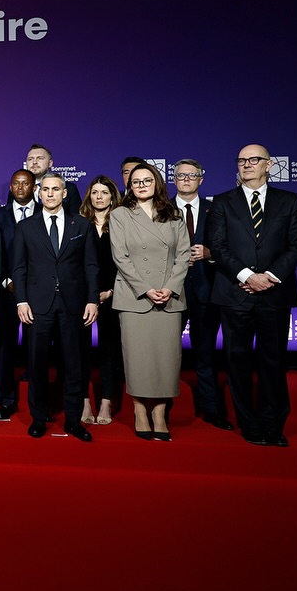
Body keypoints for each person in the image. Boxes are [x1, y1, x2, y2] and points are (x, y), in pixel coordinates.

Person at [207, 144, 297, 447]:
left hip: (275, 294)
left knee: (273, 362)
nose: (247, 164)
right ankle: (249, 424)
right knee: (238, 362)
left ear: (269, 165)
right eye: (242, 160)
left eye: (254, 159)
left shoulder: (289, 200)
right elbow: (218, 246)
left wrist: (269, 278)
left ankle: (272, 425)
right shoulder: (222, 202)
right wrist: (248, 276)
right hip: (235, 293)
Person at [13, 173, 99, 441]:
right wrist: (21, 300)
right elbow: (19, 267)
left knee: (74, 365)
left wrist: (92, 300)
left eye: (55, 189)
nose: (50, 194)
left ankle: (73, 421)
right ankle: (38, 418)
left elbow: (91, 266)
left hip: (73, 305)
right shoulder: (26, 227)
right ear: (39, 194)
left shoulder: (81, 225)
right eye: (45, 189)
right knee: (37, 364)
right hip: (37, 305)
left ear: (65, 193)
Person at [110, 163, 189, 441]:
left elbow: (184, 255)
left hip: (169, 296)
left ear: (157, 183)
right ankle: (140, 409)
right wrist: (145, 289)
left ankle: (160, 412)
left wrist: (169, 287)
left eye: (147, 180)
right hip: (135, 297)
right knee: (137, 358)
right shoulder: (120, 214)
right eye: (136, 181)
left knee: (167, 359)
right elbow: (120, 257)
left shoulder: (174, 214)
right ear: (129, 186)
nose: (141, 185)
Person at [172, 159, 231, 430]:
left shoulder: (215, 208)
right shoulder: (161, 209)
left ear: (201, 179)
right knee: (166, 354)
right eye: (181, 175)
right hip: (170, 293)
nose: (186, 179)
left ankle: (211, 409)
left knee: (205, 354)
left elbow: (231, 245)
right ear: (174, 179)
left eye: (191, 175)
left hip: (206, 291)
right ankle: (161, 410)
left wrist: (210, 253)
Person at [0, 169, 36, 420]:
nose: (20, 188)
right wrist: (5, 280)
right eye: (16, 184)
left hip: (38, 293)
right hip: (6, 292)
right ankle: (6, 400)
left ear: (34, 187)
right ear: (10, 188)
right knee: (6, 346)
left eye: (25, 183)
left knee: (37, 348)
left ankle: (37, 403)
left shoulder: (45, 213)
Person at [79, 175, 123, 425]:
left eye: (104, 192)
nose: (99, 197)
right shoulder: (79, 223)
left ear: (112, 197)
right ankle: (85, 399)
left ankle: (106, 401)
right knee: (81, 349)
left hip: (113, 295)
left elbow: (128, 263)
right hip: (82, 297)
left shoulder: (122, 224)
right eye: (95, 192)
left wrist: (111, 291)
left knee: (109, 350)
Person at [25, 144, 81, 214]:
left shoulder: (70, 188)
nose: (34, 162)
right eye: (30, 159)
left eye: (40, 158)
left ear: (50, 163)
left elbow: (76, 218)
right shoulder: (18, 190)